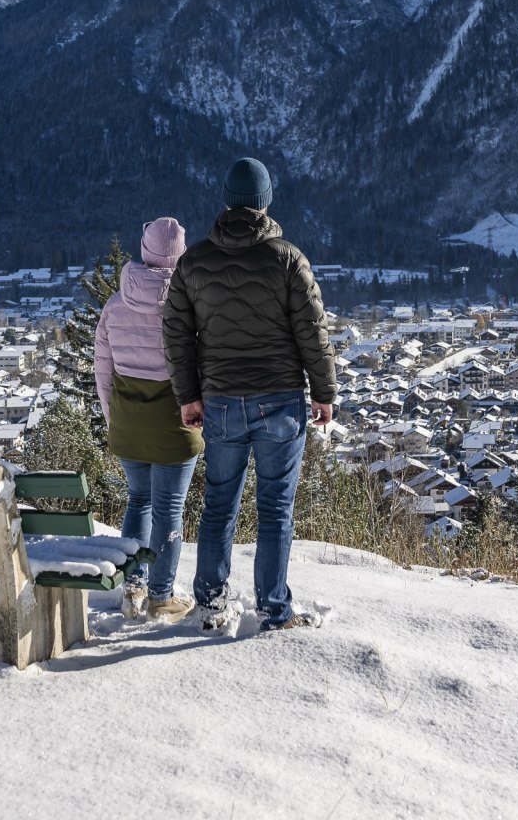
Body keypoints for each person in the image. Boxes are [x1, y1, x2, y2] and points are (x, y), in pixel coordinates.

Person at [164, 157, 338, 631]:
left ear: (226, 201)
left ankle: (211, 602)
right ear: (265, 203)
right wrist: (323, 392)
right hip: (280, 400)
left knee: (219, 504)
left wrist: (188, 395)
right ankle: (274, 609)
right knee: (275, 507)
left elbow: (176, 334)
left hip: (220, 400)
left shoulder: (193, 262)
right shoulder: (287, 259)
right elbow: (313, 333)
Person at [93, 217, 204, 621]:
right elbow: (201, 367)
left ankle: (133, 587)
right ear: (180, 257)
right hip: (175, 423)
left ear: (144, 250)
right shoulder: (189, 303)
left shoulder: (114, 304)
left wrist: (114, 417)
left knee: (138, 501)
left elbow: (103, 371)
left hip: (128, 421)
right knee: (169, 509)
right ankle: (161, 595)